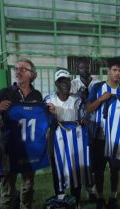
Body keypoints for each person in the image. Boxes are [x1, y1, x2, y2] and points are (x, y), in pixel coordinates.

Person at [0, 59, 43, 209]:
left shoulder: (37, 95)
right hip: (9, 147)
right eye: (16, 68)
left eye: (22, 69)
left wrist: (49, 111)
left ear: (32, 74)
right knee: (7, 187)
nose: (17, 72)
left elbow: (39, 120)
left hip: (28, 148)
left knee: (28, 185)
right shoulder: (5, 92)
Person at [86, 57, 120, 209]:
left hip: (117, 137)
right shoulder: (98, 87)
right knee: (99, 169)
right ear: (108, 71)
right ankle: (99, 197)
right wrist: (101, 100)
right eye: (115, 70)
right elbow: (88, 108)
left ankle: (113, 196)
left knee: (115, 168)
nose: (118, 73)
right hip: (100, 136)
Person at [44, 69, 88, 207]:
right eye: (61, 81)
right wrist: (50, 115)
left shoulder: (77, 100)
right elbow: (47, 122)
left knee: (76, 170)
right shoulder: (48, 100)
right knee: (58, 171)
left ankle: (76, 201)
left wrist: (84, 120)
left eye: (67, 81)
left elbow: (83, 118)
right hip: (56, 138)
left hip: (75, 140)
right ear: (57, 83)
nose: (64, 84)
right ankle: (61, 202)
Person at [70, 58, 100, 202]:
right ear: (78, 69)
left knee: (91, 159)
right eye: (82, 68)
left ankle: (91, 191)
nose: (85, 70)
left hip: (93, 124)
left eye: (87, 67)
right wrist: (77, 95)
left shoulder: (97, 82)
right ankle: (77, 191)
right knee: (79, 159)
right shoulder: (73, 84)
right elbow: (67, 99)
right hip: (78, 125)